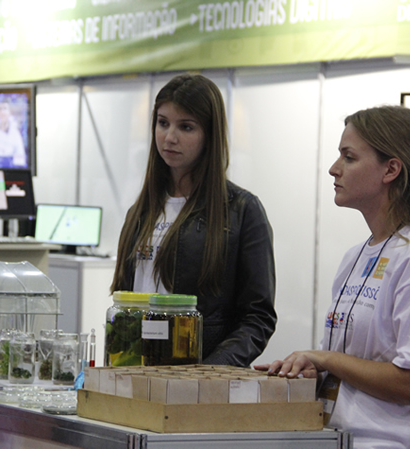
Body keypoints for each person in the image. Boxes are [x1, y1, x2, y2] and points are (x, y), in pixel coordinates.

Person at [254, 106, 410, 448]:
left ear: (391, 169)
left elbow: (406, 382)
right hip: (333, 436)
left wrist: (325, 358)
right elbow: (351, 366)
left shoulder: (406, 258)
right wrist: (313, 371)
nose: (333, 168)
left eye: (349, 157)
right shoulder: (354, 256)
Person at [111, 73, 277, 366]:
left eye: (186, 127)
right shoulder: (140, 211)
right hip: (135, 370)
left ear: (209, 134)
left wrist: (208, 372)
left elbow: (257, 318)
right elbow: (124, 301)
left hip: (198, 374)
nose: (169, 137)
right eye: (163, 123)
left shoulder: (241, 210)